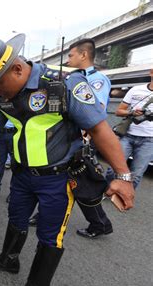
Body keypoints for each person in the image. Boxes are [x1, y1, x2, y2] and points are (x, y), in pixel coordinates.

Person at [0, 34, 135, 286]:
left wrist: (123, 175)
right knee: (16, 218)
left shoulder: (63, 85)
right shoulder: (5, 97)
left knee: (50, 235)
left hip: (58, 179)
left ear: (18, 70)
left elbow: (100, 129)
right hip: (22, 176)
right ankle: (8, 259)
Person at [30, 38, 114, 239]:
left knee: (82, 185)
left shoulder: (96, 80)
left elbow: (95, 112)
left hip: (82, 139)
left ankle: (100, 223)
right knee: (55, 179)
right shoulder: (71, 77)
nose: (68, 59)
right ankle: (44, 213)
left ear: (84, 55)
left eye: (71, 55)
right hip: (67, 137)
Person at [106, 69, 153, 189]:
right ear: (151, 73)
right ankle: (105, 191)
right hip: (127, 135)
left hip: (149, 140)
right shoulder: (136, 90)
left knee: (136, 175)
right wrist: (132, 112)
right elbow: (118, 111)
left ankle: (124, 198)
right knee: (113, 169)